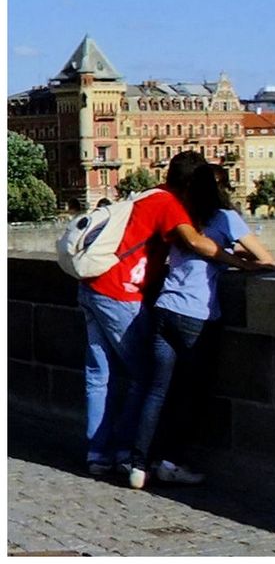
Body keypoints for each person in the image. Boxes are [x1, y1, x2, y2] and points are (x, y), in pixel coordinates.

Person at [77, 151, 261, 478]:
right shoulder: (170, 204)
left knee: (99, 376)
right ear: (191, 183)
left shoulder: (149, 195)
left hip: (91, 285)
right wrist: (242, 263)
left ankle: (97, 454)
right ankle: (123, 452)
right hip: (121, 291)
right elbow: (197, 243)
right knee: (144, 376)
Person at [129, 162, 275, 489]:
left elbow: (197, 245)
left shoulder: (183, 218)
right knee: (190, 394)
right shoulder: (226, 218)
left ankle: (139, 464)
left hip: (164, 308)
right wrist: (242, 257)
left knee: (157, 391)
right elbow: (268, 260)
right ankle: (171, 462)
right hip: (196, 316)